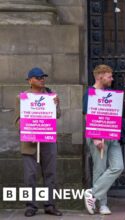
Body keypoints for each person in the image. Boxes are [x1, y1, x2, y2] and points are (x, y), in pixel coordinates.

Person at [14, 67, 62, 217]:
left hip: (48, 141)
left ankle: (50, 205)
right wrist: (30, 131)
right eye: (38, 77)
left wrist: (56, 104)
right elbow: (17, 121)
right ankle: (31, 206)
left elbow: (57, 115)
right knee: (30, 176)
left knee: (51, 174)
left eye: (43, 77)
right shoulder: (22, 97)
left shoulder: (50, 95)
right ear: (30, 80)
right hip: (29, 142)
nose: (42, 79)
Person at [83, 64, 124, 215]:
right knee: (99, 170)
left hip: (112, 136)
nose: (112, 79)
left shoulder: (111, 93)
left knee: (118, 166)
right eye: (109, 76)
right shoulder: (90, 93)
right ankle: (102, 205)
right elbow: (87, 116)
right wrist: (95, 137)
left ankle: (92, 194)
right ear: (100, 76)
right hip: (98, 137)